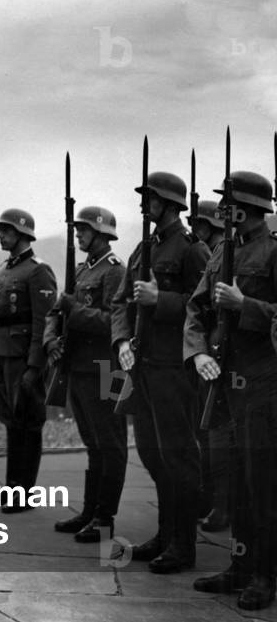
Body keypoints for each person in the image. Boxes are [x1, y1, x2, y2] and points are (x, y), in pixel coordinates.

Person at [185, 171, 277, 611]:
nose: (223, 208)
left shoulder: (274, 248)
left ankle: (265, 575)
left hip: (265, 379)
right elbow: (196, 307)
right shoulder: (223, 249)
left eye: (229, 202)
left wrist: (248, 307)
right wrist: (198, 352)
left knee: (263, 481)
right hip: (226, 378)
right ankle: (239, 567)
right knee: (236, 478)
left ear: (248, 207)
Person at [111, 171, 209, 574]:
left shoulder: (193, 250)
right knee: (152, 454)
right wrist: (120, 342)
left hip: (173, 367)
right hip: (142, 366)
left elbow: (203, 306)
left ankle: (183, 544)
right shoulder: (142, 249)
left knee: (178, 456)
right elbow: (120, 301)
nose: (143, 202)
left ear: (170, 204)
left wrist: (160, 298)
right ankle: (166, 534)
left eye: (150, 197)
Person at [44, 206, 126, 541]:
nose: (79, 234)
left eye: (84, 230)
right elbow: (56, 312)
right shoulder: (81, 270)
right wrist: (50, 339)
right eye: (77, 230)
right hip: (78, 367)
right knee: (93, 443)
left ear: (101, 233)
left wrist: (73, 311)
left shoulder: (114, 272)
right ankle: (91, 511)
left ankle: (105, 518)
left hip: (106, 367)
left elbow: (114, 321)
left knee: (111, 443)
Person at [0, 209, 56, 512]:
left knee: (27, 422)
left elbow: (44, 321)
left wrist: (35, 366)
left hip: (22, 357)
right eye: (0, 230)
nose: (0, 234)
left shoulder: (37, 271)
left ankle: (24, 493)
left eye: (5, 230)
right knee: (10, 422)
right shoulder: (3, 269)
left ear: (22, 234)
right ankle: (11, 488)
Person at [189, 198, 232, 533]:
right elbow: (198, 303)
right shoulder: (216, 255)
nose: (195, 230)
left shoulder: (220, 252)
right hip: (210, 352)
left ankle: (224, 505)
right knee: (210, 435)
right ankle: (216, 502)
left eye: (200, 225)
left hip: (239, 356)